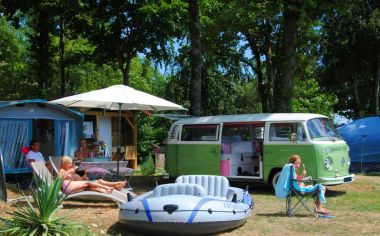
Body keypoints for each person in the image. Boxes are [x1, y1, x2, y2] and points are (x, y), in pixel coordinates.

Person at [59, 156, 126, 194]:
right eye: (69, 164)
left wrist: (76, 172)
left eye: (71, 164)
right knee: (88, 183)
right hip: (68, 188)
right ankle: (107, 187)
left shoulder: (70, 171)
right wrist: (69, 171)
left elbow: (76, 178)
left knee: (99, 181)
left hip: (73, 186)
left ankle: (116, 186)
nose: (71, 165)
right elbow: (60, 179)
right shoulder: (62, 170)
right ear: (64, 164)